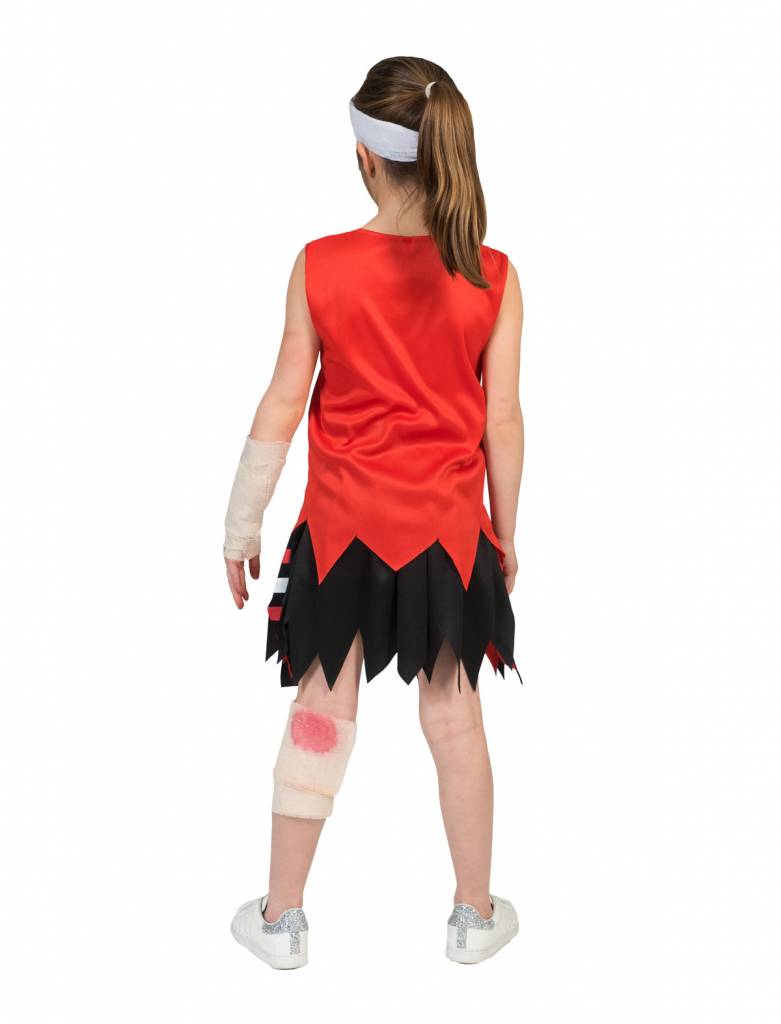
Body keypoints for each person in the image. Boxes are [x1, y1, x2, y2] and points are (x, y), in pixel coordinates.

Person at [224, 56, 524, 969]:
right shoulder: (493, 275)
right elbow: (503, 420)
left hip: (341, 532)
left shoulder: (320, 266)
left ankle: (281, 920)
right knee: (454, 721)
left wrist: (242, 523)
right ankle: (473, 916)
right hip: (447, 536)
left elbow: (282, 401)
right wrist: (504, 536)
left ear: (364, 156)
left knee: (321, 712)